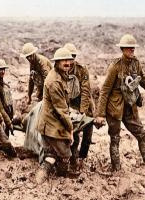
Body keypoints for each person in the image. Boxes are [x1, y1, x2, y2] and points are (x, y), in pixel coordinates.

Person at [95, 34, 145, 171]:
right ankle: (116, 169)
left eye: (133, 48)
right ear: (122, 49)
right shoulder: (115, 67)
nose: (132, 50)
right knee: (115, 138)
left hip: (130, 107)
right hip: (114, 109)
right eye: (129, 48)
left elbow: (144, 79)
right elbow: (105, 91)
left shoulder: (136, 63)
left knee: (141, 133)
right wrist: (100, 114)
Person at [35, 47, 78, 183]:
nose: (67, 63)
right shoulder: (54, 81)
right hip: (52, 125)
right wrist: (70, 130)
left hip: (50, 122)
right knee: (66, 154)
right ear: (57, 62)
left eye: (69, 60)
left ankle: (41, 178)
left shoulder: (60, 75)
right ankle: (62, 178)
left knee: (51, 154)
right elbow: (61, 110)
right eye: (64, 60)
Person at [64, 43, 96, 170]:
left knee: (87, 135)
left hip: (85, 104)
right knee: (74, 134)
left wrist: (82, 111)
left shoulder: (82, 70)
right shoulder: (61, 71)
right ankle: (73, 159)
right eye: (68, 57)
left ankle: (82, 157)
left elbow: (85, 92)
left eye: (72, 57)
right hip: (70, 105)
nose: (70, 61)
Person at [0, 59, 14, 137]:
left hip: (7, 117)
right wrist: (8, 122)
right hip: (0, 119)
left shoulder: (4, 84)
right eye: (0, 69)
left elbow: (9, 103)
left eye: (3, 69)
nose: (2, 71)